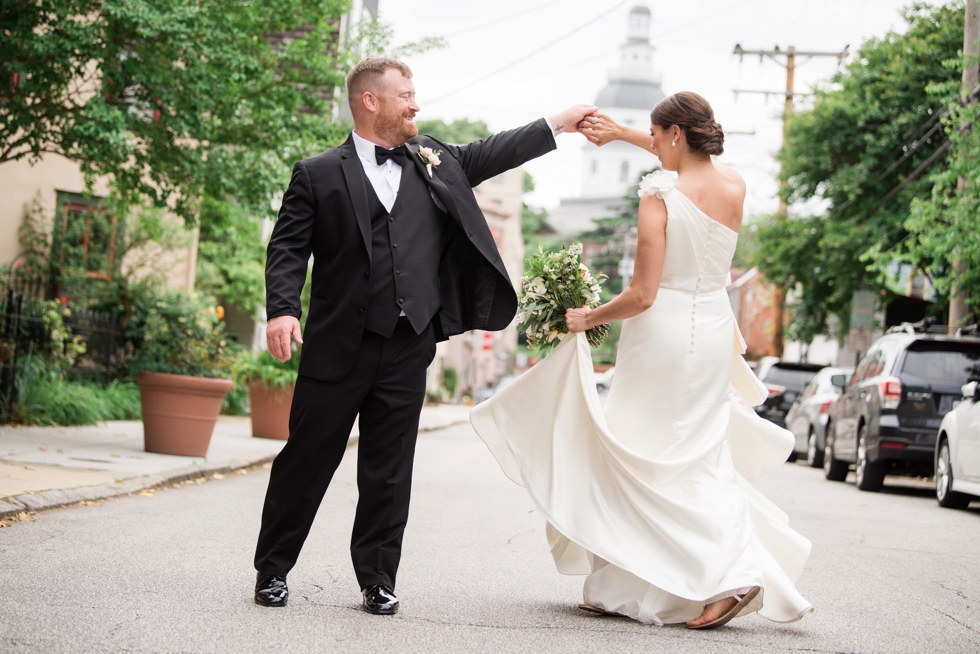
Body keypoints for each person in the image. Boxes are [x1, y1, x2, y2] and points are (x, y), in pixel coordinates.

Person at [253, 56, 597, 615]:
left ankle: (378, 579)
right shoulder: (316, 173)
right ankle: (273, 568)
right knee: (307, 459)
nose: (417, 104)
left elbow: (494, 150)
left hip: (408, 342)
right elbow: (288, 247)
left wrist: (557, 122)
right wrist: (282, 310)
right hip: (338, 343)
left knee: (389, 471)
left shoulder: (436, 160)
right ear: (371, 101)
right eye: (406, 94)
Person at [471, 92, 814, 629]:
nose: (650, 146)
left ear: (674, 135)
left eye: (655, 137)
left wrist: (588, 317)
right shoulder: (734, 185)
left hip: (663, 334)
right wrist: (625, 134)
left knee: (635, 452)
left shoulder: (658, 195)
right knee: (693, 452)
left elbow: (644, 293)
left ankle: (727, 572)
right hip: (714, 330)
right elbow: (679, 157)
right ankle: (636, 581)